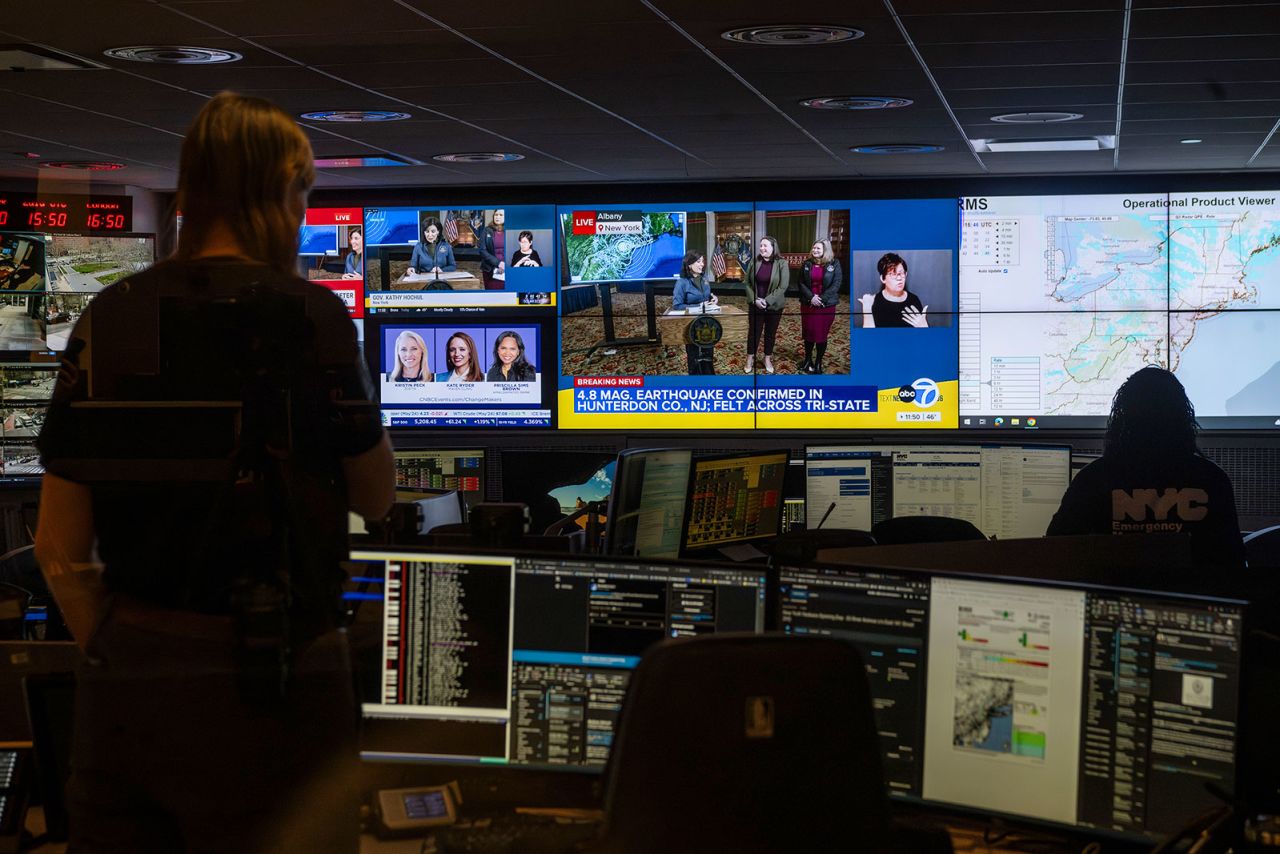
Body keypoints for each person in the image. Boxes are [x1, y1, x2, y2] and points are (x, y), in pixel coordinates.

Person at [33, 92, 395, 853]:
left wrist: (124, 644)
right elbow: (378, 496)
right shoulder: (310, 317)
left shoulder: (114, 314)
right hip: (282, 674)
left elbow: (59, 546)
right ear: (280, 189)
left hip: (131, 679)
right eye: (303, 193)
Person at [1047, 367, 1245, 569]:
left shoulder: (1093, 479)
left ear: (1122, 417)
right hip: (1196, 599)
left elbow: (1054, 552)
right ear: (1183, 418)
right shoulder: (1212, 479)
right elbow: (1232, 565)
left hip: (1112, 598)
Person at [740, 235, 788, 374]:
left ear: (773, 248)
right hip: (755, 304)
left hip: (774, 306)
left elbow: (783, 286)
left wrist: (766, 301)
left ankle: (767, 358)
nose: (762, 248)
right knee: (753, 333)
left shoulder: (782, 263)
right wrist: (755, 299)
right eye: (761, 245)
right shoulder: (754, 261)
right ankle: (750, 358)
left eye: (765, 245)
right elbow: (747, 282)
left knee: (770, 334)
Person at [797, 238, 841, 374]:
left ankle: (818, 363)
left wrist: (821, 299)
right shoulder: (807, 263)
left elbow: (836, 283)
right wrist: (811, 297)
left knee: (821, 334)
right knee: (808, 333)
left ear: (825, 250)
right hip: (808, 304)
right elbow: (800, 282)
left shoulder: (834, 263)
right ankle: (808, 360)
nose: (814, 250)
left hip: (826, 305)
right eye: (814, 248)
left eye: (818, 249)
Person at [673, 251, 718, 374]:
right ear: (689, 264)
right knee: (694, 357)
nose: (702, 264)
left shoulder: (704, 278)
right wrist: (698, 306)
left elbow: (706, 296)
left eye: (702, 261)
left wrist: (713, 298)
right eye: (698, 261)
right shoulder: (682, 282)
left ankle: (709, 379)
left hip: (708, 322)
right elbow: (677, 306)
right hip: (691, 325)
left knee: (708, 354)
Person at [860, 252, 926, 328]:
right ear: (883, 278)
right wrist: (867, 309)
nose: (899, 278)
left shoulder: (914, 300)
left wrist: (924, 327)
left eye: (901, 273)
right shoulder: (874, 302)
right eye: (893, 274)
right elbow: (869, 337)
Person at [475, 209, 506, 288]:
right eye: (496, 215)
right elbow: (482, 250)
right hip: (489, 269)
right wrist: (498, 263)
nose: (497, 217)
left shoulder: (510, 230)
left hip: (507, 269)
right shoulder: (487, 230)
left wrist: (505, 264)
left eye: (501, 215)